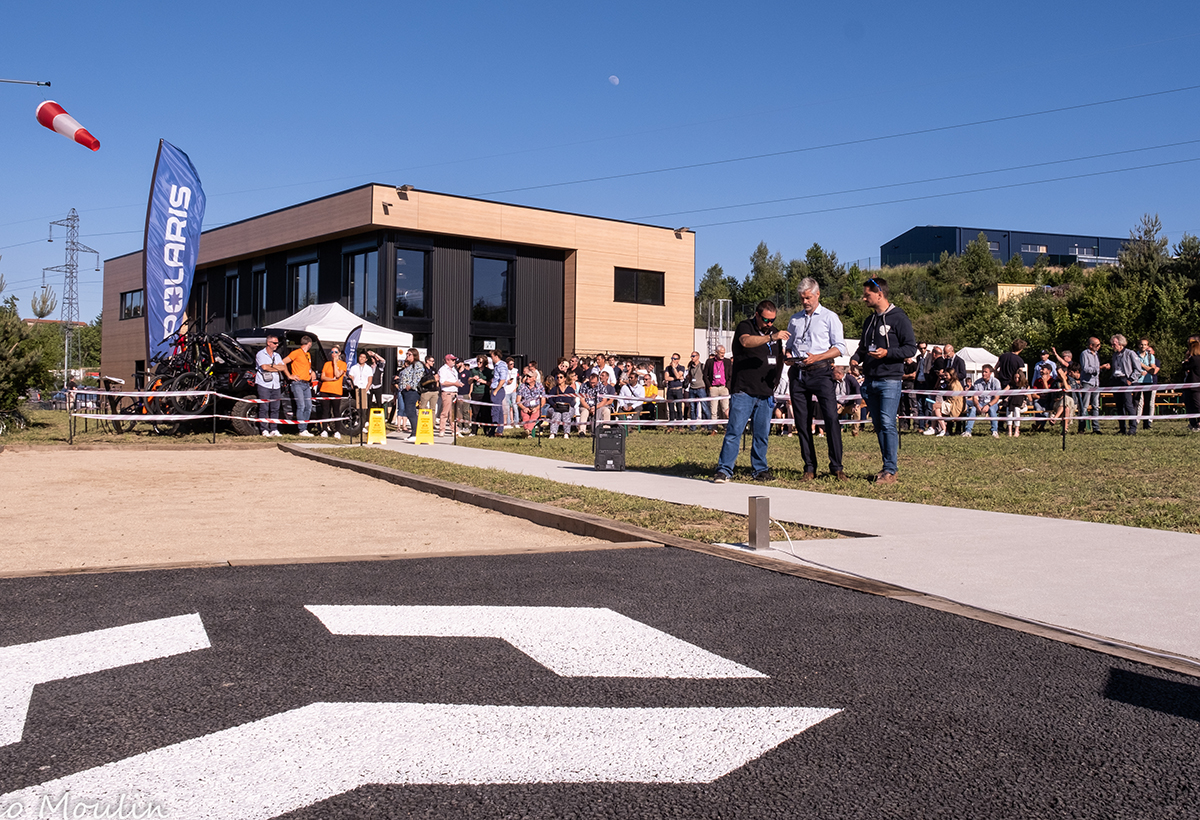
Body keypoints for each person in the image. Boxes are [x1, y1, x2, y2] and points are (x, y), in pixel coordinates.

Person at [712, 300, 789, 483]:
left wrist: (775, 382)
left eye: (773, 320)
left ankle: (760, 469)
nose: (769, 324)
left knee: (762, 434)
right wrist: (771, 337)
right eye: (766, 320)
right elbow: (746, 342)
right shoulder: (745, 326)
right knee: (734, 431)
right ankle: (724, 470)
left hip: (765, 393)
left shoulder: (775, 333)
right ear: (757, 315)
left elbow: (778, 359)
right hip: (744, 391)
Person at [850, 278, 916, 484]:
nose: (863, 298)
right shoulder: (869, 321)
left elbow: (910, 348)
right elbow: (863, 346)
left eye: (867, 295)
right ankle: (886, 467)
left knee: (888, 423)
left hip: (890, 380)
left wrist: (888, 352)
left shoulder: (899, 318)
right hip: (869, 381)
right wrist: (855, 358)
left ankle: (891, 470)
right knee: (878, 425)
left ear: (879, 294)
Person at [785, 277, 849, 481]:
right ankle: (809, 467)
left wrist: (818, 357)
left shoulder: (830, 317)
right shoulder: (795, 319)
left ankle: (837, 466)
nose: (805, 301)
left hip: (821, 372)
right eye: (802, 298)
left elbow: (839, 347)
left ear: (817, 294)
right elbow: (789, 345)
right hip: (798, 373)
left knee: (831, 417)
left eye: (808, 297)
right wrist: (787, 355)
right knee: (802, 422)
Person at [1106, 334, 1143, 436]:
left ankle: (1132, 428)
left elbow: (1138, 369)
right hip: (1116, 381)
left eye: (1114, 344)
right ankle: (1122, 428)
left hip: (1126, 380)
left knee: (1128, 404)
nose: (1112, 346)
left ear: (1121, 343)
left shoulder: (1130, 353)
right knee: (1119, 406)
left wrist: (1130, 379)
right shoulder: (1114, 355)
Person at [255, 333, 287, 437]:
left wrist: (272, 366)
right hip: (264, 384)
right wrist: (275, 367)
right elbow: (264, 367)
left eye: (277, 343)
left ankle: (274, 428)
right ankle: (264, 429)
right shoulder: (260, 354)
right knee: (264, 407)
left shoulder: (277, 355)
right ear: (269, 343)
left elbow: (283, 367)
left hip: (276, 385)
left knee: (275, 408)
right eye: (275, 343)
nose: (277, 345)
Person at [283, 335, 315, 437]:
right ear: (309, 344)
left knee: (308, 406)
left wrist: (311, 372)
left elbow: (307, 367)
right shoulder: (296, 353)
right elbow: (283, 362)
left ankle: (304, 428)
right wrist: (289, 375)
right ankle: (302, 429)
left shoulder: (308, 355)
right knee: (301, 405)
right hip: (298, 383)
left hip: (306, 383)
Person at [316, 345, 346, 439]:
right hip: (325, 389)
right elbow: (322, 377)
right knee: (325, 411)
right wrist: (331, 379)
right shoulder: (326, 364)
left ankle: (337, 431)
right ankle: (324, 429)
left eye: (336, 352)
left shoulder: (342, 364)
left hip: (336, 391)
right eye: (332, 352)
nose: (333, 354)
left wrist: (335, 363)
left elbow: (337, 375)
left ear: (339, 353)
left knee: (336, 411)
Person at [964, 364, 1001, 438]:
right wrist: (977, 406)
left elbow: (996, 398)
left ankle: (994, 431)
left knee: (992, 409)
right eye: (982, 372)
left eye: (986, 372)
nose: (983, 373)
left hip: (992, 403)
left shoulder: (996, 382)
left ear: (990, 373)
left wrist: (988, 405)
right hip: (980, 403)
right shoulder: (977, 382)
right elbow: (975, 397)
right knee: (973, 409)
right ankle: (968, 431)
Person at [396, 347, 424, 441]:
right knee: (407, 411)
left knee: (410, 411)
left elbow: (418, 376)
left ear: (414, 355)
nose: (407, 356)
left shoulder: (418, 364)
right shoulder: (408, 366)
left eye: (409, 354)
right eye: (407, 354)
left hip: (412, 391)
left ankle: (415, 433)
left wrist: (411, 386)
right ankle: (413, 433)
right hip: (404, 390)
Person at [703, 345, 731, 432]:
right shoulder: (710, 362)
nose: (723, 354)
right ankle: (714, 429)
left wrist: (727, 387)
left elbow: (731, 375)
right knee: (713, 410)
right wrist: (709, 387)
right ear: (716, 353)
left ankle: (726, 428)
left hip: (723, 388)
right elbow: (705, 375)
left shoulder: (727, 362)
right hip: (713, 388)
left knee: (725, 409)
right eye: (721, 353)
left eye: (724, 352)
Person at [1078, 337, 1103, 433]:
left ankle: (1096, 428)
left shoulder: (1096, 355)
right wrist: (1099, 368)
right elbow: (1085, 368)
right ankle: (1081, 427)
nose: (1099, 347)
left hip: (1096, 382)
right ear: (1090, 345)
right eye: (1097, 345)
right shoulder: (1085, 354)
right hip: (1087, 382)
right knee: (1084, 406)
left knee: (1096, 405)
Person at [1136, 338, 1160, 429]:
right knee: (1137, 402)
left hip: (1148, 382)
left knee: (1147, 403)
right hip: (1137, 381)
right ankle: (1135, 422)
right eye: (1141, 344)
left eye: (1145, 345)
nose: (1143, 346)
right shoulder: (1134, 356)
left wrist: (1142, 365)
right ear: (1139, 345)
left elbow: (1152, 371)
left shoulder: (1151, 357)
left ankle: (1146, 424)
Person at [833, 364, 862, 437]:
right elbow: (829, 392)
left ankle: (855, 432)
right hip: (838, 405)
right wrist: (835, 403)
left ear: (839, 374)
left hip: (849, 404)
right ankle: (834, 431)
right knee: (830, 412)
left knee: (857, 411)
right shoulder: (832, 381)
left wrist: (857, 404)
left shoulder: (850, 379)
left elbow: (858, 390)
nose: (832, 375)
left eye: (834, 374)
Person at [437, 354, 461, 437]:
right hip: (447, 392)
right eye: (452, 360)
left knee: (453, 413)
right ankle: (442, 429)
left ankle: (454, 430)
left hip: (454, 392)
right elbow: (443, 382)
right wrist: (454, 383)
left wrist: (458, 384)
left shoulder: (454, 370)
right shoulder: (443, 369)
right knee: (445, 412)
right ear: (447, 360)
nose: (454, 362)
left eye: (454, 360)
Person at [685, 351, 710, 431]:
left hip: (701, 388)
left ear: (698, 357)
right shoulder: (690, 367)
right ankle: (693, 427)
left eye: (693, 356)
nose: (692, 358)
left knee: (705, 408)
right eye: (691, 356)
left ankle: (709, 426)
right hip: (692, 389)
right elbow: (689, 376)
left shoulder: (702, 366)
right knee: (692, 408)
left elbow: (706, 376)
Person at [347, 351, 374, 426]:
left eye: (363, 357)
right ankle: (356, 421)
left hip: (364, 390)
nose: (361, 359)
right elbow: (351, 378)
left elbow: (370, 380)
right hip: (356, 389)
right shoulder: (353, 367)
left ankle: (362, 424)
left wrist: (366, 390)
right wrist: (352, 387)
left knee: (363, 409)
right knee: (356, 407)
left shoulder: (368, 368)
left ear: (366, 359)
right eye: (360, 357)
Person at [546, 372, 575, 438]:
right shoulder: (554, 389)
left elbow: (573, 400)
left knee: (566, 413)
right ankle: (553, 433)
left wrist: (569, 405)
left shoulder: (570, 389)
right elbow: (550, 399)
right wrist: (554, 404)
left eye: (561, 377)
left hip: (567, 407)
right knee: (557, 414)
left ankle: (566, 433)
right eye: (557, 377)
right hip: (556, 408)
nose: (559, 379)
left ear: (564, 379)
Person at [1182, 335, 1200, 432]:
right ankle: (1194, 423)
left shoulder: (1194, 359)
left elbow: (1185, 367)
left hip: (1193, 386)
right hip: (1194, 386)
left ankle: (1195, 423)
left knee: (1193, 405)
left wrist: (1185, 362)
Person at [488, 349, 509, 437]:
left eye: (492, 356)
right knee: (499, 411)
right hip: (496, 388)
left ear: (496, 356)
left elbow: (503, 379)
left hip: (498, 390)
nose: (491, 358)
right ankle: (499, 430)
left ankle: (493, 429)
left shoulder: (501, 365)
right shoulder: (496, 366)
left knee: (495, 410)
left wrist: (496, 390)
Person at [663, 353, 686, 428]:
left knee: (679, 408)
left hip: (678, 390)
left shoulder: (681, 367)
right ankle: (671, 426)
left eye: (675, 359)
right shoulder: (667, 368)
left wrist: (674, 368)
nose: (673, 360)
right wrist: (676, 378)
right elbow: (666, 378)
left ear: (678, 360)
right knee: (671, 408)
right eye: (672, 358)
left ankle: (680, 426)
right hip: (670, 390)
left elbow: (678, 375)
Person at [1005, 370, 1029, 437]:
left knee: (1016, 409)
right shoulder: (1011, 385)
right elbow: (1004, 391)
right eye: (1015, 378)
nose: (1016, 380)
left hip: (1022, 405)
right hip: (1011, 404)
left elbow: (1030, 398)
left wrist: (1025, 393)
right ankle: (1010, 431)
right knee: (1010, 409)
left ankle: (1016, 430)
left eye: (1018, 378)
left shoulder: (1025, 386)